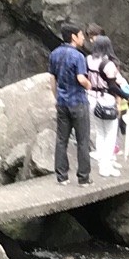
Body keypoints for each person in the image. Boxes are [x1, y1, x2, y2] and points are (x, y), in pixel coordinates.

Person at [48, 23, 92, 186]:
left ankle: (62, 176)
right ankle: (83, 177)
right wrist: (89, 85)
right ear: (73, 37)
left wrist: (56, 97)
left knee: (61, 140)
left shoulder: (54, 54)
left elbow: (52, 78)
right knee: (83, 140)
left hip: (62, 102)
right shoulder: (78, 56)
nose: (83, 38)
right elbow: (81, 78)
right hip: (78, 102)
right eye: (81, 35)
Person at [84, 34, 129, 178]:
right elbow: (112, 86)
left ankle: (103, 161)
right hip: (106, 100)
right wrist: (125, 95)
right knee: (110, 134)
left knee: (100, 132)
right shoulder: (108, 64)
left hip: (91, 98)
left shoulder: (87, 59)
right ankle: (106, 166)